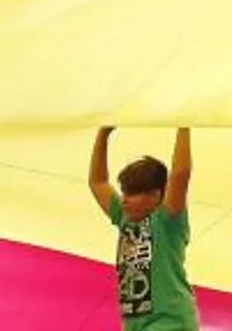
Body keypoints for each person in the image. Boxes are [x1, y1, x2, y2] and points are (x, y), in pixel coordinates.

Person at [89, 126, 199, 330]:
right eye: (124, 193)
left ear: (156, 196)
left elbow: (180, 174)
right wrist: (103, 133)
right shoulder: (125, 219)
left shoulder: (167, 221)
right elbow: (98, 182)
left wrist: (184, 124)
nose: (124, 200)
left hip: (170, 323)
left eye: (132, 194)